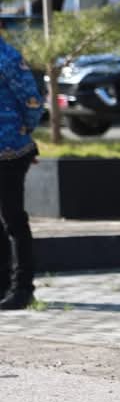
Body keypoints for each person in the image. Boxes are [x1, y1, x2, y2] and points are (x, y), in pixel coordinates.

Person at [0, 34, 44, 311]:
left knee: (13, 219)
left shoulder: (7, 58)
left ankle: (22, 288)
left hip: (9, 150)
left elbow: (32, 101)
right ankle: (3, 284)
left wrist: (22, 132)